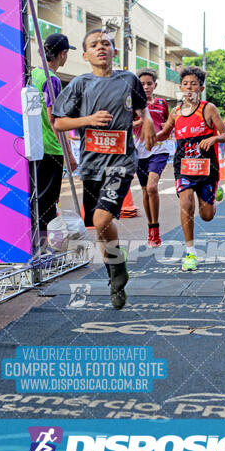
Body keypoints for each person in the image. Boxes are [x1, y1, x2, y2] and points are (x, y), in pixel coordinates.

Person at [53, 29, 156, 309]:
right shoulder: (79, 84)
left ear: (114, 52)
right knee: (99, 227)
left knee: (101, 220)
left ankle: (118, 266)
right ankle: (115, 275)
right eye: (94, 45)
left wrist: (146, 120)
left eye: (107, 44)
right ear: (85, 55)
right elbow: (58, 123)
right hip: (91, 165)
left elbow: (141, 107)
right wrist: (88, 119)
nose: (101, 48)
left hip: (121, 163)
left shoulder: (128, 79)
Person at [156, 65, 225, 271]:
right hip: (184, 167)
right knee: (186, 203)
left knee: (206, 215)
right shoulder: (176, 111)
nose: (189, 88)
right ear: (180, 87)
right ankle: (190, 252)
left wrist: (214, 137)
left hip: (207, 168)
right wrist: (150, 137)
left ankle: (215, 194)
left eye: (194, 84)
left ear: (201, 88)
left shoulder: (209, 109)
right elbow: (164, 133)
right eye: (186, 84)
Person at [31, 34, 77, 244]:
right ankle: (46, 251)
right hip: (51, 149)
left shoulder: (32, 76)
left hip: (33, 147)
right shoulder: (52, 80)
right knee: (48, 203)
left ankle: (36, 246)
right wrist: (68, 154)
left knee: (36, 201)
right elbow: (54, 120)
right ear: (63, 54)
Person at [134, 68, 169, 248]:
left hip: (158, 150)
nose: (146, 87)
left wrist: (166, 126)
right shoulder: (132, 103)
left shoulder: (162, 103)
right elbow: (126, 123)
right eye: (142, 84)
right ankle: (151, 228)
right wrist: (140, 121)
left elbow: (169, 123)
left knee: (152, 187)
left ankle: (156, 228)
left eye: (149, 84)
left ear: (155, 85)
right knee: (145, 191)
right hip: (139, 152)